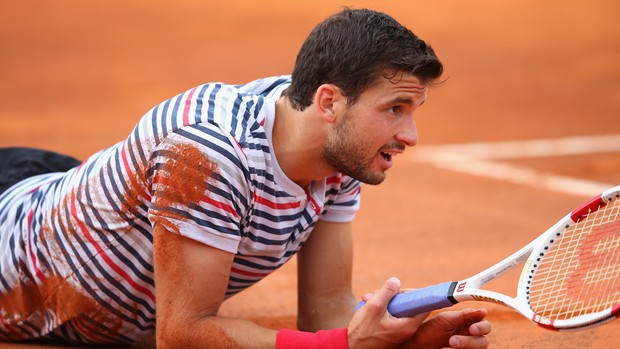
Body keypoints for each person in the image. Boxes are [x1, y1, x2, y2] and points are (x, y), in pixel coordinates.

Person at [0, 8, 491, 349]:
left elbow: (324, 313)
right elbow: (183, 334)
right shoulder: (207, 156)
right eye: (394, 109)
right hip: (16, 241)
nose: (411, 135)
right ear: (328, 102)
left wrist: (403, 338)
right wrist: (345, 344)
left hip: (64, 187)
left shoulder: (339, 148)